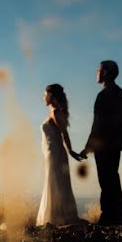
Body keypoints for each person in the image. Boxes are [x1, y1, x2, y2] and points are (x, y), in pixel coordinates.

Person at [81, 60, 122, 225]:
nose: (97, 73)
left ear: (106, 73)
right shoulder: (121, 94)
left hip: (104, 145)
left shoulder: (103, 95)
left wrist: (88, 147)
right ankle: (119, 217)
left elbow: (98, 124)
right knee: (112, 179)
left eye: (99, 70)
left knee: (106, 180)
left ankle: (108, 216)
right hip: (115, 144)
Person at [36, 83, 84, 226]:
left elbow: (64, 133)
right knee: (53, 182)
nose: (43, 97)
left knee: (57, 183)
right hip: (50, 153)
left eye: (45, 95)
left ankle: (59, 217)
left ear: (51, 96)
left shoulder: (56, 112)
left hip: (56, 153)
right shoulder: (52, 112)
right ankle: (55, 217)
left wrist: (70, 150)